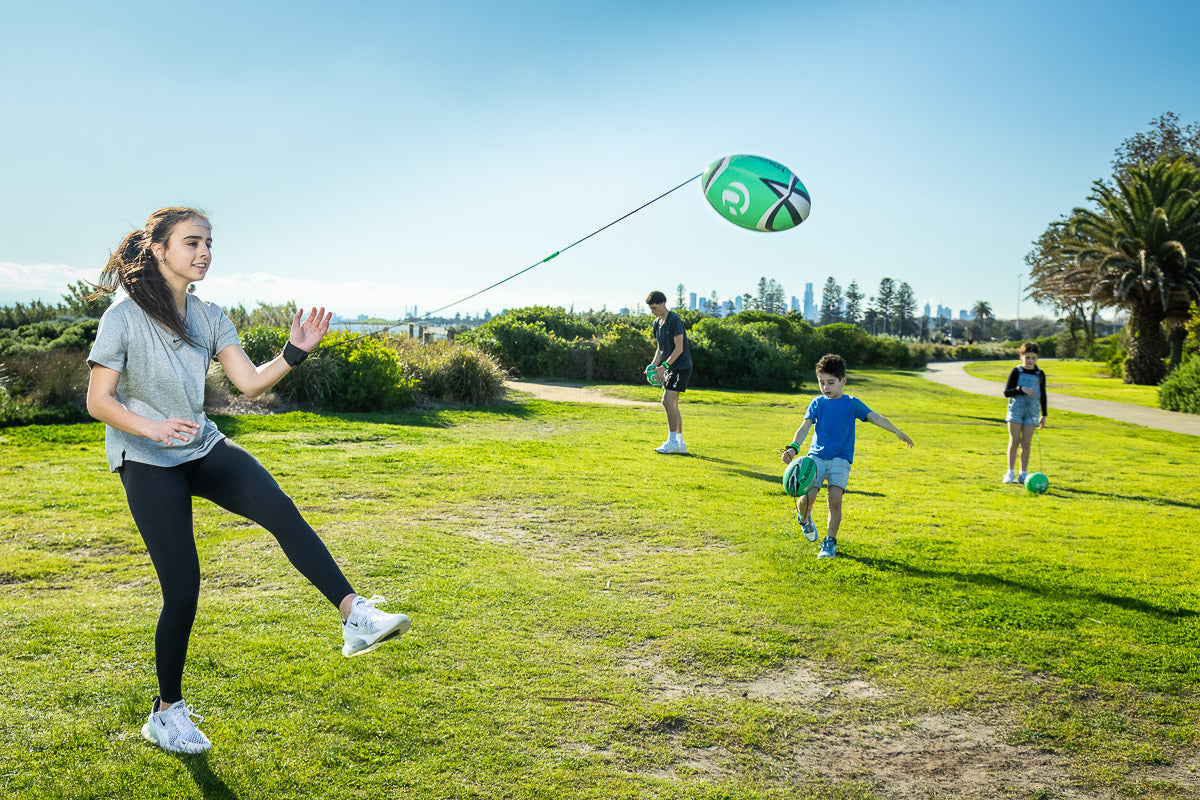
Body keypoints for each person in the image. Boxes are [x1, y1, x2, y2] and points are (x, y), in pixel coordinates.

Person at [85, 207, 411, 755]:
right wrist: (153, 428)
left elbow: (250, 383)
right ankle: (166, 713)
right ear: (159, 248)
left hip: (202, 445)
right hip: (145, 456)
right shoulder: (123, 317)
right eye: (192, 243)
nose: (205, 252)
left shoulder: (210, 316)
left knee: (280, 510)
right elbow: (99, 400)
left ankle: (354, 614)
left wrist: (295, 351)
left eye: (209, 243)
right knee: (183, 587)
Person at [780, 353, 913, 558]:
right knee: (808, 497)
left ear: (843, 381)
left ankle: (829, 542)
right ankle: (804, 518)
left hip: (841, 460)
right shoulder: (817, 403)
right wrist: (793, 447)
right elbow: (804, 427)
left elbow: (875, 417)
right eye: (822, 383)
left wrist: (896, 430)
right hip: (815, 458)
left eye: (830, 383)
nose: (825, 388)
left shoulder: (852, 403)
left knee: (835, 501)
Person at [645, 291, 693, 454]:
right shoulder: (656, 323)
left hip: (681, 366)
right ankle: (679, 443)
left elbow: (679, 348)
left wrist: (664, 366)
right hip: (670, 367)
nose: (653, 311)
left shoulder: (674, 320)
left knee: (666, 401)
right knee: (672, 404)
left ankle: (672, 442)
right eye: (651, 309)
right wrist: (652, 366)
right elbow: (661, 348)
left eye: (655, 308)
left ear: (663, 303)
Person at [1002, 341, 1047, 484]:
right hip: (1016, 410)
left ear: (1037, 358)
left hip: (1032, 411)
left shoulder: (1040, 374)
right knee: (1014, 441)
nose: (1030, 361)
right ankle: (1010, 472)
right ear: (1021, 356)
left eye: (1033, 357)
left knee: (1026, 443)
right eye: (1027, 357)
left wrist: (1044, 415)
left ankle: (1023, 473)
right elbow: (1007, 392)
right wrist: (1021, 389)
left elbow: (1043, 394)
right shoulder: (1016, 371)